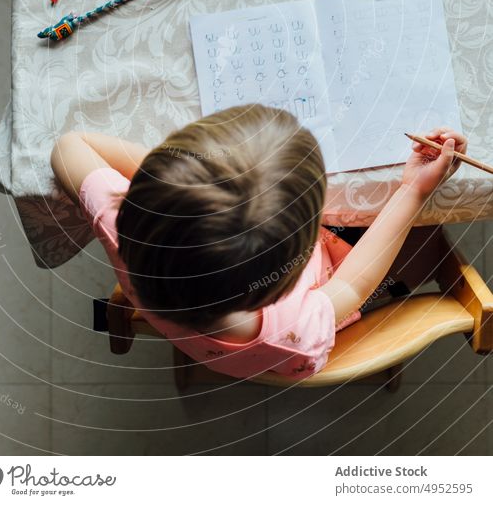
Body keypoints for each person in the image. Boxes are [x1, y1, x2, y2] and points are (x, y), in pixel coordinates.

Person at [51, 105, 467, 380]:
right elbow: (354, 286)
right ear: (285, 276)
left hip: (192, 334)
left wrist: (182, 186)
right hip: (309, 334)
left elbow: (70, 146)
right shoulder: (296, 324)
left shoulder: (122, 227)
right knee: (426, 244)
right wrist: (412, 190)